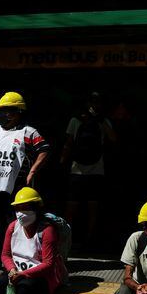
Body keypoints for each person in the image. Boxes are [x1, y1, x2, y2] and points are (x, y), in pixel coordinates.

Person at [0, 92, 50, 271]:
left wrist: (32, 171)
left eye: (9, 110)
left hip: (15, 186)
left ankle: (11, 259)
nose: (5, 114)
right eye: (3, 110)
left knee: (14, 223)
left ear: (19, 111)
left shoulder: (28, 131)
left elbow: (44, 149)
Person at [60, 92, 116, 249]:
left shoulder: (100, 121)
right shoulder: (77, 120)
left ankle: (88, 240)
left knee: (90, 207)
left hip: (91, 169)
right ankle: (68, 238)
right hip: (81, 169)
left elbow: (112, 138)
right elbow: (69, 144)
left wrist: (62, 161)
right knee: (78, 207)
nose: (95, 106)